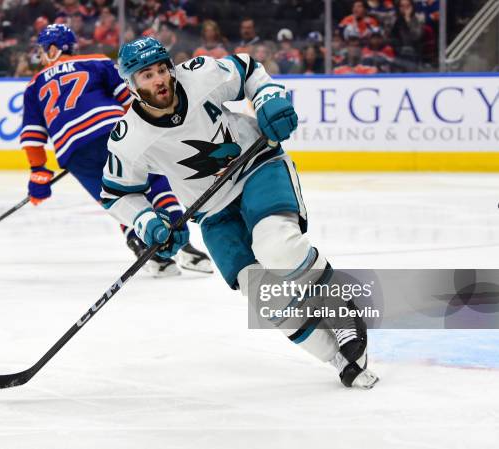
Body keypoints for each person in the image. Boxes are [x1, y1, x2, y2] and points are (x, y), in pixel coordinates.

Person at [100, 37, 379, 388]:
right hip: (212, 209)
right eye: (146, 76)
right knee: (259, 290)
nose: (159, 80)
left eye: (161, 70)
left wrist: (268, 98)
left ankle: (342, 313)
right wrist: (149, 223)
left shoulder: (198, 75)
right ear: (132, 85)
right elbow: (117, 194)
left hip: (257, 165)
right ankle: (339, 359)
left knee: (276, 246)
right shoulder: (129, 139)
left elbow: (248, 69)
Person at [19, 24, 212, 276]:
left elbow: (32, 134)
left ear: (53, 49)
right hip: (113, 132)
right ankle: (183, 243)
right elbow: (132, 99)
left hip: (73, 151)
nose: (42, 56)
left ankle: (145, 250)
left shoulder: (34, 85)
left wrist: (38, 171)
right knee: (155, 182)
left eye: (44, 50)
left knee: (115, 198)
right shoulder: (97, 61)